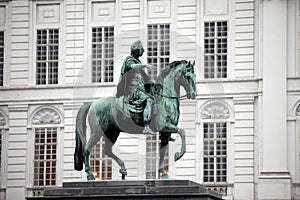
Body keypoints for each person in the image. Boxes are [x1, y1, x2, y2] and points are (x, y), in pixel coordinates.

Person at [116, 40, 156, 135]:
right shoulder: (129, 60)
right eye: (142, 49)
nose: (143, 51)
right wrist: (145, 65)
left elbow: (145, 79)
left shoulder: (138, 62)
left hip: (140, 90)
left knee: (157, 98)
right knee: (149, 100)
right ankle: (146, 126)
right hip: (132, 91)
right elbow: (133, 66)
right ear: (137, 50)